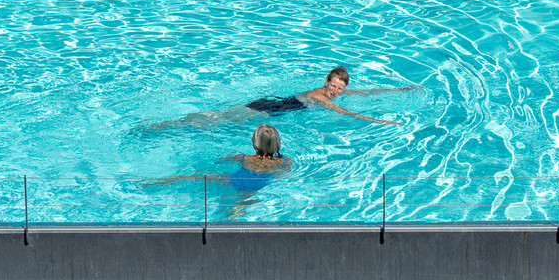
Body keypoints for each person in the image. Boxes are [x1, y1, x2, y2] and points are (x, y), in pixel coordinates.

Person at [143, 66, 416, 131]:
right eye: (333, 86)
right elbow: (346, 114)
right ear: (326, 82)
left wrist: (396, 91)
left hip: (273, 104)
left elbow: (363, 93)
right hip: (268, 110)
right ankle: (171, 124)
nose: (336, 91)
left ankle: (172, 123)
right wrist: (381, 122)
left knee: (220, 118)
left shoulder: (334, 92)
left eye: (340, 89)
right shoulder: (321, 98)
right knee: (218, 121)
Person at [149, 123, 294, 196]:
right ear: (277, 142)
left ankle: (160, 182)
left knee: (195, 176)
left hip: (233, 180)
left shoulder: (243, 157)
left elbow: (222, 160)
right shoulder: (284, 161)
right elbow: (284, 176)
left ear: (254, 141)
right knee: (241, 204)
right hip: (256, 186)